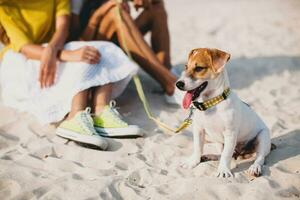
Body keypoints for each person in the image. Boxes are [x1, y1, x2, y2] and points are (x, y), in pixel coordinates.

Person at [0, 0, 142, 150]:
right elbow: (25, 47)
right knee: (79, 59)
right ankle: (74, 117)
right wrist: (65, 54)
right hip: (22, 58)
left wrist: (53, 50)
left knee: (99, 49)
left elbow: (62, 27)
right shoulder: (4, 5)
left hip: (54, 47)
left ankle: (101, 111)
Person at [70, 0, 183, 104]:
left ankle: (167, 71)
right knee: (116, 12)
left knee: (156, 8)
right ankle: (170, 84)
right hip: (89, 46)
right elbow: (78, 41)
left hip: (116, 34)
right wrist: (101, 11)